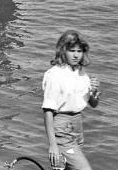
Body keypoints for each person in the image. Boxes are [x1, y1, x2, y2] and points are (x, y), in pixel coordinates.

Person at [43, 29, 100, 170]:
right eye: (71, 50)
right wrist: (53, 145)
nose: (76, 55)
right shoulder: (55, 74)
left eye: (79, 51)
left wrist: (94, 93)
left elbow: (93, 104)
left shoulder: (81, 73)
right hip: (61, 128)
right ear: (63, 50)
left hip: (77, 126)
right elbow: (48, 111)